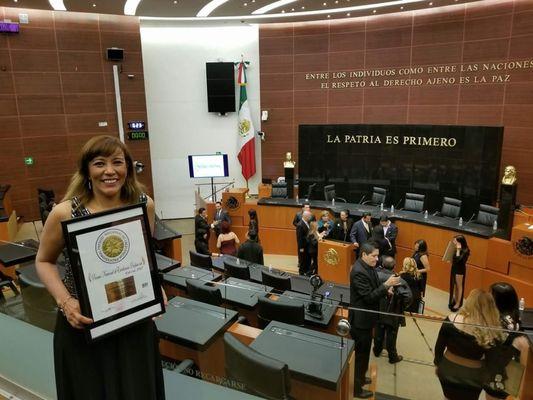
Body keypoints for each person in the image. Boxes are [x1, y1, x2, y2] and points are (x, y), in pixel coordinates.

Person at [35, 135, 166, 400]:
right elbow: (43, 261)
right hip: (84, 326)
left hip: (133, 324)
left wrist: (153, 285)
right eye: (99, 163)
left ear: (127, 167)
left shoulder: (144, 204)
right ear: (86, 171)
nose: (109, 171)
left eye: (117, 162)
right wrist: (66, 302)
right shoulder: (65, 213)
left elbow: (140, 258)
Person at [350, 242, 401, 398]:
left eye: (378, 255)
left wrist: (387, 290)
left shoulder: (368, 266)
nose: (377, 259)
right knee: (361, 355)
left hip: (368, 318)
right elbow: (368, 297)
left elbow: (375, 285)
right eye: (374, 256)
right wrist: (386, 285)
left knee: (365, 353)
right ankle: (357, 389)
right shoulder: (358, 271)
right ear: (364, 255)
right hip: (360, 321)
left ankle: (361, 377)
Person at [434, 289, 505, 400]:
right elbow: (492, 363)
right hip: (473, 377)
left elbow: (439, 348)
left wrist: (439, 365)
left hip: (447, 371)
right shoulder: (491, 330)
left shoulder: (451, 319)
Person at [484, 283, 530, 399]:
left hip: (498, 374)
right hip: (509, 374)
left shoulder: (499, 322)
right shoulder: (515, 317)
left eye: (491, 295)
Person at [373, 256, 411, 364]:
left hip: (378, 309)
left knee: (378, 331)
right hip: (393, 312)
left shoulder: (375, 275)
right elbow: (408, 297)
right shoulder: (399, 280)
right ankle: (392, 357)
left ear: (382, 265)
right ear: (394, 266)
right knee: (391, 334)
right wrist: (401, 306)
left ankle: (377, 350)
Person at [449, 235, 470, 311]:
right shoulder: (456, 248)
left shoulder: (465, 250)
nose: (454, 242)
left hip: (460, 269)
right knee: (455, 285)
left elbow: (459, 260)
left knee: (459, 286)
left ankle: (458, 303)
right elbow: (454, 258)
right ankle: (455, 298)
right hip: (454, 268)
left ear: (460, 242)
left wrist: (458, 250)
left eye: (455, 241)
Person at [296, 211, 312, 275]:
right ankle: (301, 274)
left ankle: (307, 271)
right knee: (302, 261)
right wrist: (301, 248)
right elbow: (299, 238)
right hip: (303, 247)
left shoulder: (307, 222)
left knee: (307, 260)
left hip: (307, 246)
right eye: (309, 216)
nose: (310, 217)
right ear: (306, 216)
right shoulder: (300, 225)